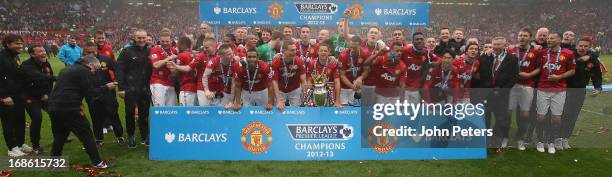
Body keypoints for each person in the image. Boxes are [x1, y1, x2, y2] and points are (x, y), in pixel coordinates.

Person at [48, 55, 110, 169]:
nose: (96, 71)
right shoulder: (84, 71)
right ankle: (97, 162)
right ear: (90, 64)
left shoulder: (66, 69)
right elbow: (90, 93)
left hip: (54, 106)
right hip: (70, 108)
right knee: (86, 135)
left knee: (60, 136)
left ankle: (54, 162)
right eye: (96, 68)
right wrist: (106, 87)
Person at [535, 32, 575, 154]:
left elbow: (572, 70)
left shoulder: (568, 53)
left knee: (556, 119)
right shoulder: (542, 53)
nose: (549, 40)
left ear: (559, 40)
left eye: (552, 38)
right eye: (548, 38)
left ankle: (551, 141)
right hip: (543, 89)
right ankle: (540, 141)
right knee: (541, 117)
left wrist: (560, 76)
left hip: (559, 90)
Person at [561, 37, 602, 150]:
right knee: (562, 114)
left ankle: (565, 139)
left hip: (580, 91)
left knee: (573, 115)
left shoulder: (593, 60)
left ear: (589, 48)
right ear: (576, 45)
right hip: (565, 89)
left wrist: (598, 88)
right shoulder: (569, 55)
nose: (583, 48)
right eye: (581, 45)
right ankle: (556, 138)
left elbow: (597, 75)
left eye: (586, 46)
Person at [478, 37, 518, 150]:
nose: (496, 47)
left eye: (499, 44)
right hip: (487, 94)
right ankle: (484, 142)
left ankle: (496, 143)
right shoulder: (487, 57)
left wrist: (502, 90)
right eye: (494, 44)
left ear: (505, 45)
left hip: (502, 95)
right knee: (485, 119)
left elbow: (514, 78)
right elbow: (480, 70)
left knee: (500, 120)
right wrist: (484, 56)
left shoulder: (512, 59)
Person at [82, 42, 125, 146]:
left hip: (108, 93)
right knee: (96, 118)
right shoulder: (81, 62)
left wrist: (117, 83)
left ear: (97, 50)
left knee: (114, 115)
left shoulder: (105, 59)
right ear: (84, 52)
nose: (91, 54)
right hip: (92, 94)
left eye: (93, 51)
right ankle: (98, 139)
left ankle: (119, 136)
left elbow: (118, 70)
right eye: (88, 52)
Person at [116, 29, 153, 148]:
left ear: (147, 38)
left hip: (145, 89)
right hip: (130, 88)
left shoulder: (151, 50)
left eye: (143, 38)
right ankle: (131, 136)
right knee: (129, 113)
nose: (141, 40)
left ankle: (144, 136)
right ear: (134, 38)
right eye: (139, 38)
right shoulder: (126, 51)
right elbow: (119, 70)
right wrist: (121, 88)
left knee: (144, 114)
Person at [507, 28, 541, 151]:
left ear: (530, 37)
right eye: (520, 35)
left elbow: (539, 68)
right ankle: (505, 138)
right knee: (508, 112)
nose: (522, 37)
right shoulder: (510, 50)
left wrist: (529, 75)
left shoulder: (535, 52)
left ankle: (520, 139)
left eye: (525, 35)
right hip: (512, 85)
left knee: (524, 114)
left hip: (527, 85)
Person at [0, 34, 31, 157]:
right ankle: (12, 148)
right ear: (7, 44)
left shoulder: (14, 57)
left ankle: (20, 144)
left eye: (20, 43)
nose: (20, 45)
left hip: (17, 95)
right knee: (8, 122)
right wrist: (3, 96)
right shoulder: (2, 57)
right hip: (6, 96)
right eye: (16, 43)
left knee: (20, 121)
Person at [21, 45, 54, 154]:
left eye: (44, 50)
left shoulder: (46, 63)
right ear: (32, 54)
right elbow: (37, 76)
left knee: (56, 114)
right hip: (30, 98)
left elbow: (49, 80)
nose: (43, 53)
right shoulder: (26, 65)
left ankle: (59, 138)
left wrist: (47, 94)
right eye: (40, 51)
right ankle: (36, 146)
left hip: (45, 96)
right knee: (37, 118)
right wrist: (56, 78)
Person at [271, 41, 307, 106]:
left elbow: (304, 81)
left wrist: (306, 96)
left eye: (295, 50)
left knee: (296, 110)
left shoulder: (299, 61)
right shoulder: (276, 61)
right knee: (279, 109)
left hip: (295, 89)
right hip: (280, 89)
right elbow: (274, 81)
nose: (295, 52)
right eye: (292, 50)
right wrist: (278, 100)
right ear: (284, 51)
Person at [305, 42, 342, 107]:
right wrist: (308, 96)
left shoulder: (333, 63)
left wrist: (337, 100)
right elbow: (309, 81)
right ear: (318, 52)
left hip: (329, 92)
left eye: (325, 51)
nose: (323, 52)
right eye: (321, 51)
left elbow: (337, 82)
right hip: (315, 91)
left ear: (329, 53)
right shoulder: (312, 63)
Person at [149, 32, 179, 106]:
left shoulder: (174, 51)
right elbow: (155, 65)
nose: (165, 43)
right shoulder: (155, 49)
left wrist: (174, 70)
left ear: (171, 41)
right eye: (163, 41)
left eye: (167, 41)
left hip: (171, 83)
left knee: (171, 110)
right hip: (158, 83)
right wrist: (169, 58)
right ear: (159, 40)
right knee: (159, 109)